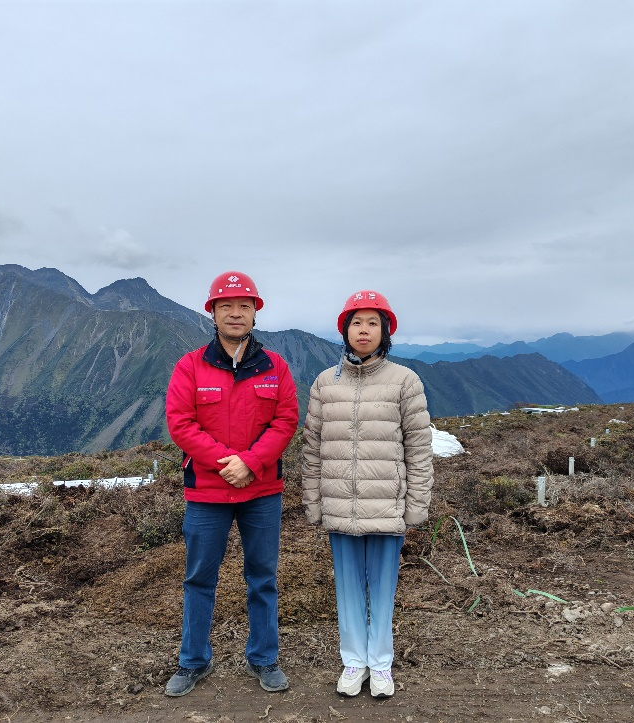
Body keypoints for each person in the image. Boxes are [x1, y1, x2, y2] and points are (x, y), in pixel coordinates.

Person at [164, 271, 299, 697]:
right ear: (213, 313)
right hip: (207, 492)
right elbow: (180, 423)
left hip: (262, 492)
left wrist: (251, 463)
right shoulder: (190, 366)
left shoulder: (275, 367)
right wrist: (228, 464)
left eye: (244, 306)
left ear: (256, 312)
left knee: (263, 577)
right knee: (199, 579)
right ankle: (193, 661)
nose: (235, 313)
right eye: (226, 306)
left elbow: (285, 421)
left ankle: (264, 658)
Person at [302, 290, 434, 699]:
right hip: (339, 504)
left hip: (386, 505)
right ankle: (353, 660)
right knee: (346, 590)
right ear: (345, 329)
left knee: (382, 589)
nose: (364, 330)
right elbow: (312, 449)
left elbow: (419, 448)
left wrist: (416, 505)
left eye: (372, 323)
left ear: (385, 331)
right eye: (356, 322)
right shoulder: (325, 383)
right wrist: (313, 502)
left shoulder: (405, 381)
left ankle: (380, 663)